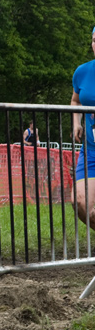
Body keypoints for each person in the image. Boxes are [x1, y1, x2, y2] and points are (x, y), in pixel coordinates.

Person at [71, 26, 95, 229]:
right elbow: (76, 100)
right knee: (80, 203)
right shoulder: (83, 72)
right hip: (91, 150)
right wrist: (77, 122)